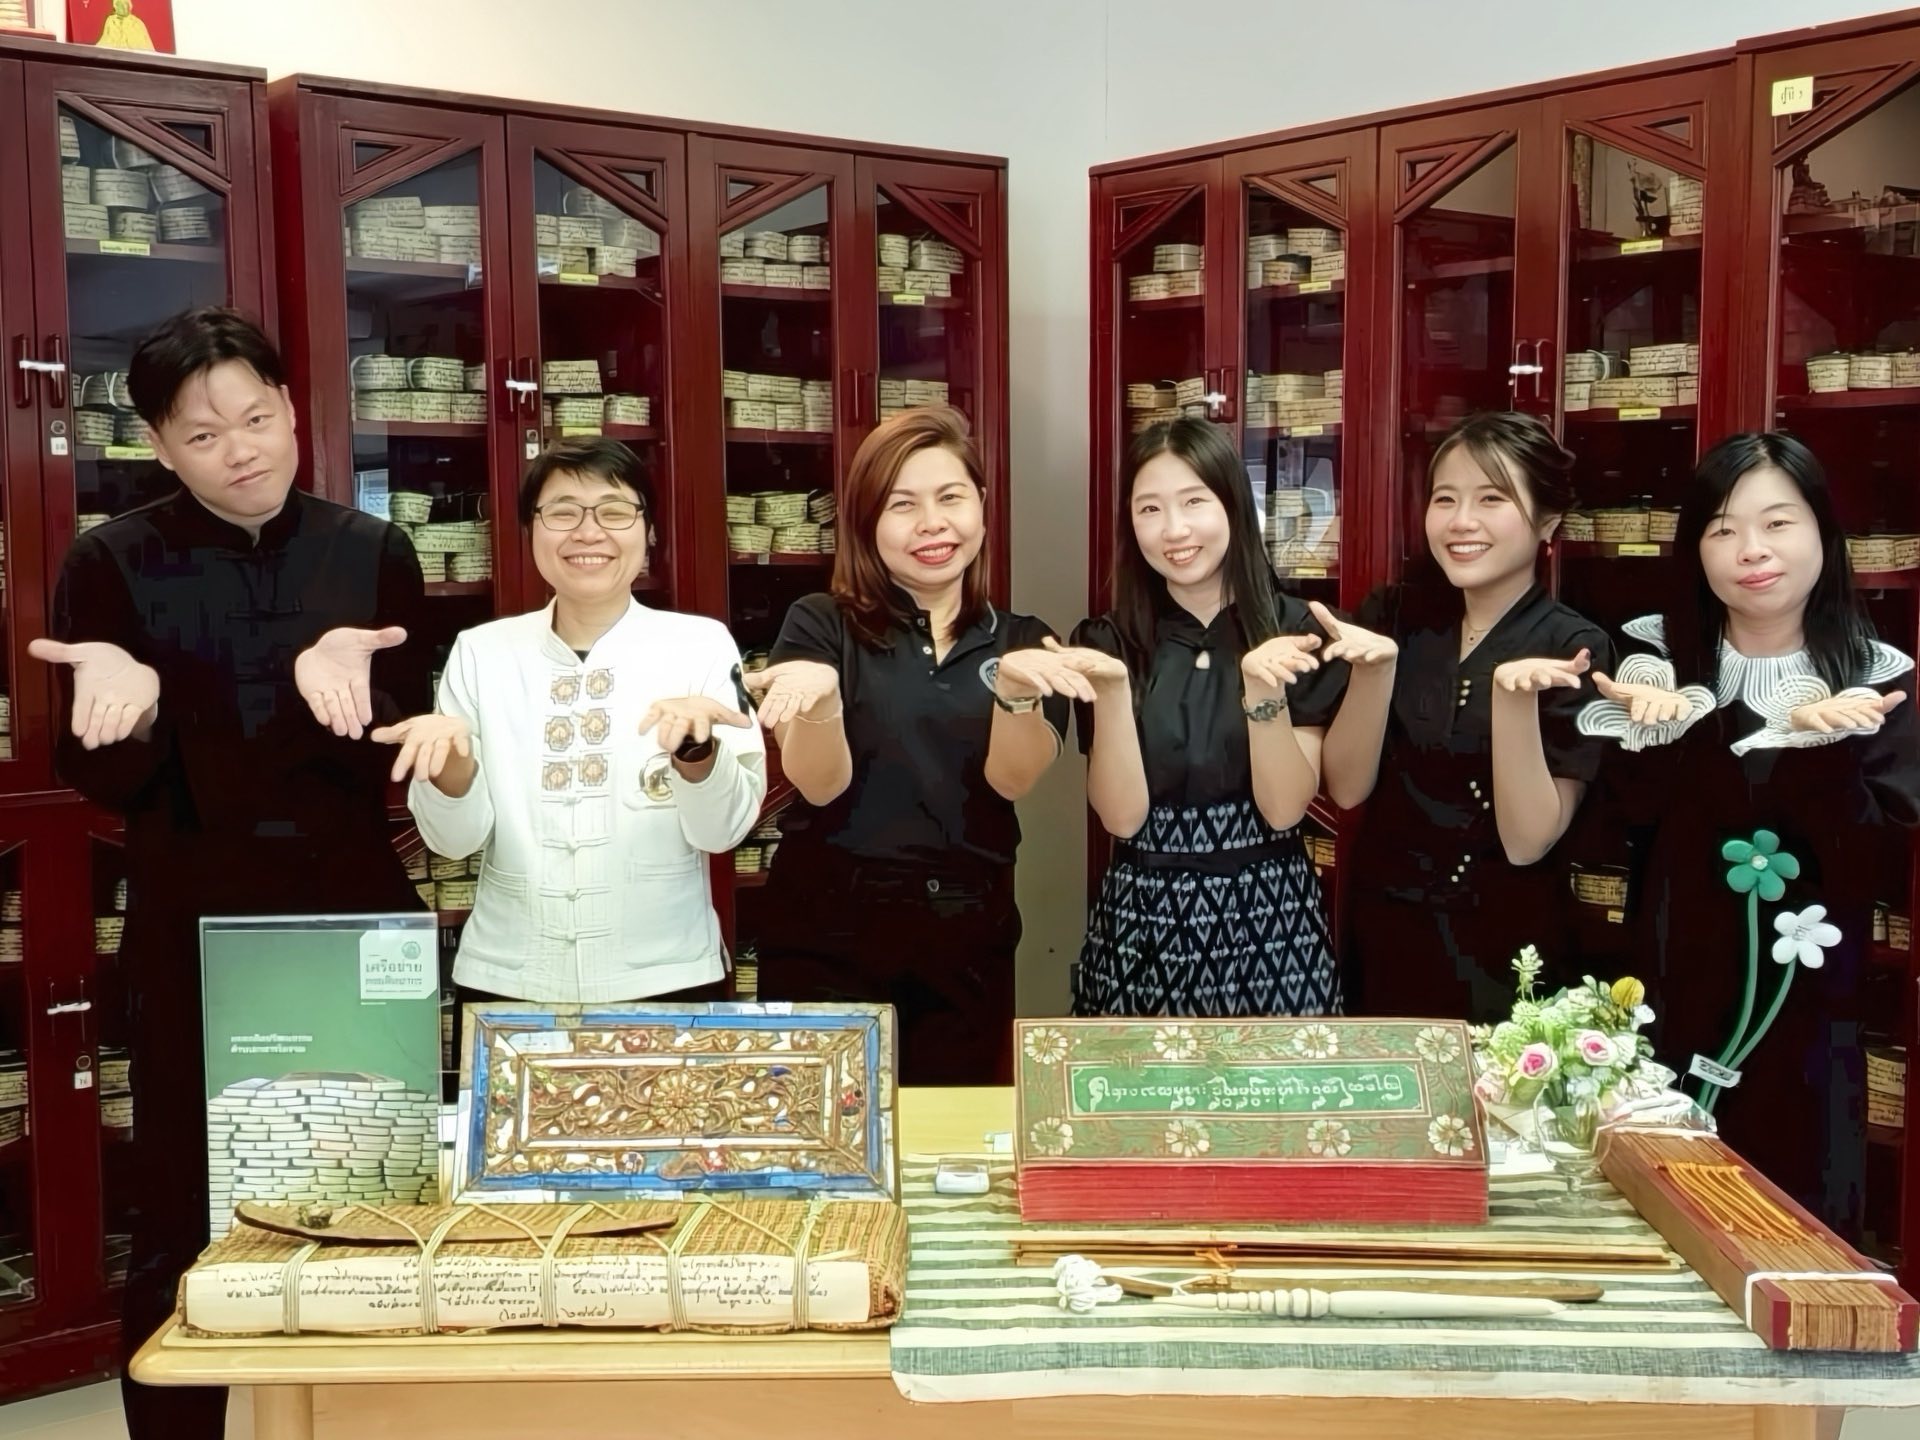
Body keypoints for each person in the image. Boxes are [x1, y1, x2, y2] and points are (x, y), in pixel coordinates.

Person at [28, 307, 426, 1440]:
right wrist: (130, 705)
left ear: (293, 409)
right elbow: (101, 777)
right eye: (203, 436)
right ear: (159, 446)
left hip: (352, 923)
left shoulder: (372, 551)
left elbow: (412, 747)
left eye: (256, 418)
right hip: (189, 928)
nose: (240, 450)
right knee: (178, 1218)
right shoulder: (110, 562)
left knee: (375, 1205)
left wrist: (364, 679)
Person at [1575, 431, 1919, 1236]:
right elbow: (1614, 833)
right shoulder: (1655, 666)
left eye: (1777, 523)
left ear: (1824, 533)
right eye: (1723, 529)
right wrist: (1649, 736)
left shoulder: (1878, 681)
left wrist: (1828, 752)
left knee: (1796, 1243)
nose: (1751, 550)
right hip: (1665, 1006)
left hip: (1811, 1037)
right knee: (1658, 1233)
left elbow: (1877, 867)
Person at [1002, 416, 1395, 1016]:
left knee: (1276, 1078)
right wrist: (1112, 693)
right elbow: (1122, 818)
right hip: (1141, 919)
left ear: (1234, 505)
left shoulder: (1300, 631)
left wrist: (1262, 690)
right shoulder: (1108, 641)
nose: (1175, 530)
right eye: (1150, 509)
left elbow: (1285, 809)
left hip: (1270, 920)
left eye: (1194, 502)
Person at [746, 406, 1067, 1085]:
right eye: (903, 505)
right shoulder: (819, 624)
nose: (932, 523)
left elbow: (1013, 781)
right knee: (825, 1131)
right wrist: (822, 702)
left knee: (949, 1138)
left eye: (950, 498)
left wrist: (1015, 691)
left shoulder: (1024, 640)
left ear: (981, 505)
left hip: (965, 936)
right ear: (867, 521)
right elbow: (818, 784)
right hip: (826, 927)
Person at [381, 437, 765, 1004]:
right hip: (509, 976)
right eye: (563, 512)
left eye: (614, 511)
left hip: (666, 973)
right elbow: (453, 842)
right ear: (530, 530)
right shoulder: (482, 652)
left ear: (649, 530)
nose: (589, 533)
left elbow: (723, 832)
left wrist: (696, 755)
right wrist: (451, 771)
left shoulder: (700, 646)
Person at [1341, 412, 1612, 1022]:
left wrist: (1514, 703)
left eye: (1492, 499)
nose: (1461, 521)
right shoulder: (1395, 616)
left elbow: (1528, 841)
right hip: (1384, 929)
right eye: (1445, 499)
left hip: (1505, 945)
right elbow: (1348, 789)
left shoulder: (1573, 648)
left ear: (1548, 521)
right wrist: (1373, 673)